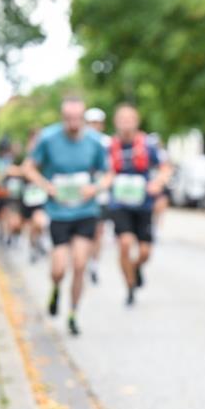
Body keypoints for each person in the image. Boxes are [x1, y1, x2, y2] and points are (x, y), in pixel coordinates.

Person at [22, 96, 112, 336]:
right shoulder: (48, 138)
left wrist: (95, 188)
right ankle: (55, 289)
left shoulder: (95, 142)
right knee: (59, 269)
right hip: (59, 213)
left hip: (86, 211)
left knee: (80, 264)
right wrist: (46, 185)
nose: (73, 123)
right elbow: (28, 167)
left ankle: (73, 313)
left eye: (77, 118)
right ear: (62, 118)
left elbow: (109, 173)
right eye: (68, 118)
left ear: (83, 118)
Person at [108, 104, 172, 305]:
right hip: (119, 205)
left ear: (136, 122)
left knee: (145, 252)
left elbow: (165, 167)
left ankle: (135, 268)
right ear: (116, 122)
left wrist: (158, 183)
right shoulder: (108, 147)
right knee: (125, 243)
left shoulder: (148, 145)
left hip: (143, 204)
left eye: (130, 119)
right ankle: (129, 286)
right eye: (122, 119)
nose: (126, 123)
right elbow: (99, 170)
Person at [85, 107, 112, 284]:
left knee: (98, 230)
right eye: (91, 123)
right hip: (82, 194)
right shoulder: (79, 142)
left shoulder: (107, 143)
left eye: (97, 123)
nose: (94, 126)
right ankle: (83, 259)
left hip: (100, 193)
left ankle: (94, 264)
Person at [19, 128, 49, 263]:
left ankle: (41, 242)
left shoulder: (47, 154)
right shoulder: (28, 156)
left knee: (40, 221)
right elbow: (23, 171)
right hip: (29, 196)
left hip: (43, 195)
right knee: (32, 226)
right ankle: (33, 247)